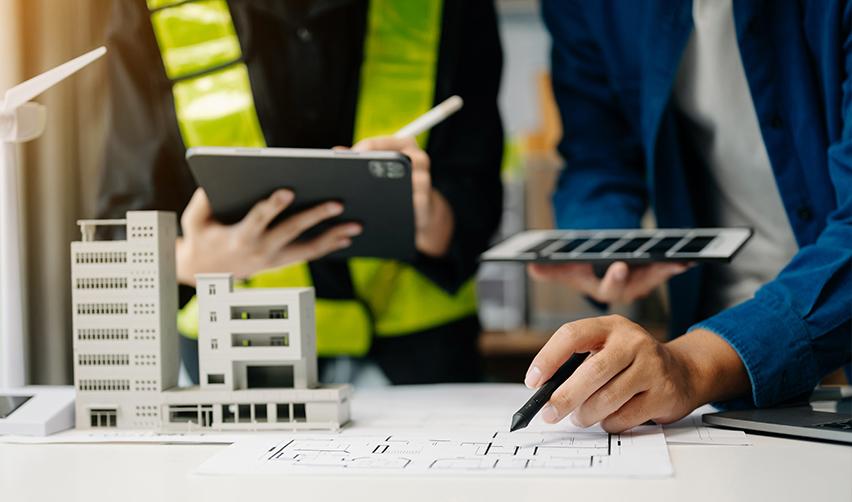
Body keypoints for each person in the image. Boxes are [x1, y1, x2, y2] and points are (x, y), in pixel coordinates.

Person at [97, 0, 503, 384]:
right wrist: (192, 259)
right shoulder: (149, 10)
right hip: (234, 363)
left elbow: (479, 199)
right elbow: (120, 225)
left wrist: (431, 217)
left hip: (422, 367)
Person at [528, 0, 852, 432]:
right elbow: (599, 154)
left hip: (728, 351)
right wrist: (607, 248)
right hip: (717, 363)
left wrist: (690, 365)